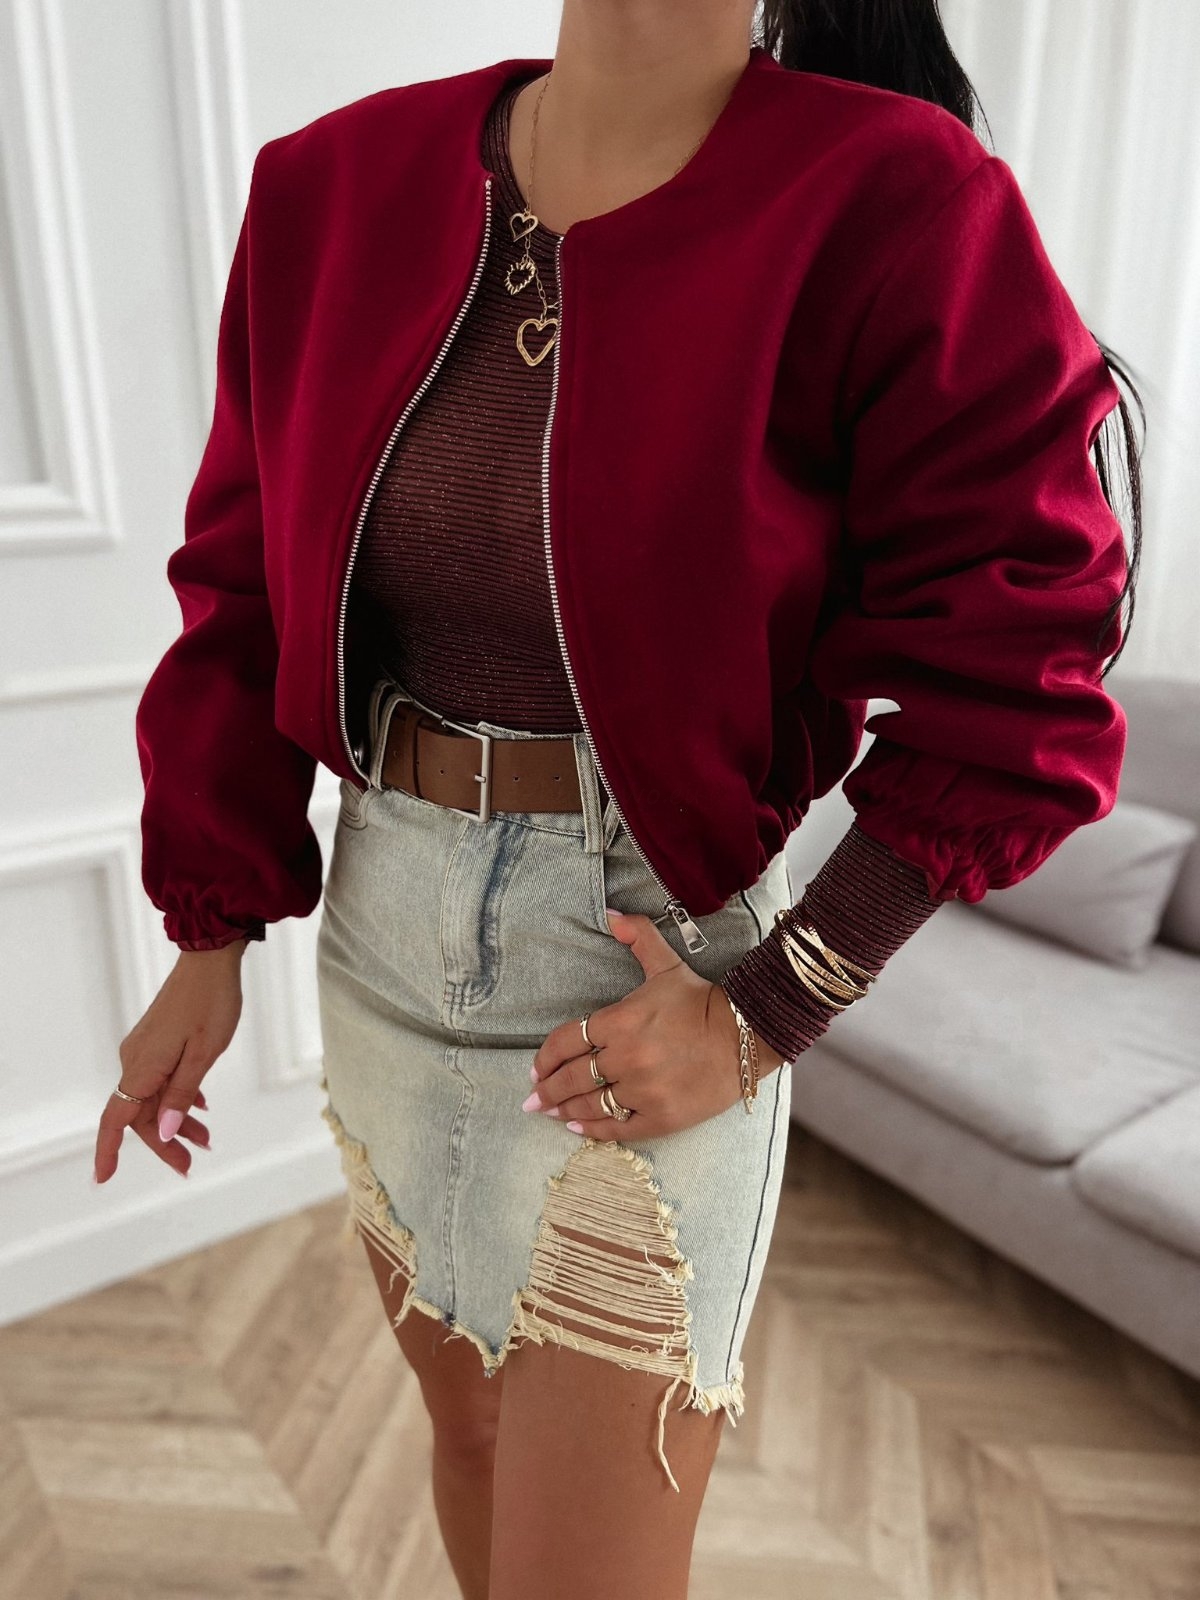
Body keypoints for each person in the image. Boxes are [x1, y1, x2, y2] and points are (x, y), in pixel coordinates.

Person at [96, 2, 1144, 1596]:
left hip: (657, 973)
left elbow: (1028, 673)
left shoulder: (898, 200)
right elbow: (242, 587)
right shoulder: (332, 183)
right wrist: (207, 931)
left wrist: (774, 1003)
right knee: (468, 1441)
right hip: (382, 944)